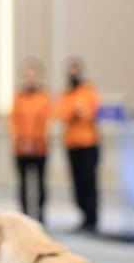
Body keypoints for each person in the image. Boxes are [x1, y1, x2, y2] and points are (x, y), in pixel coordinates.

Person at [56, 58, 101, 233]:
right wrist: (76, 111)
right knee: (77, 183)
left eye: (76, 70)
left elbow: (89, 112)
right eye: (70, 70)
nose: (73, 73)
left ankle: (92, 218)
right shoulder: (66, 94)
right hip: (72, 144)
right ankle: (83, 215)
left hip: (89, 143)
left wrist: (78, 112)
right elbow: (62, 114)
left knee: (89, 181)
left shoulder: (88, 91)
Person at [9, 61, 51, 223]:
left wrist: (36, 140)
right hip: (21, 148)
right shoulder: (18, 98)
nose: (30, 79)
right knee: (23, 184)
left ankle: (40, 215)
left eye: (33, 75)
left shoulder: (44, 98)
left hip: (40, 148)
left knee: (40, 183)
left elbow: (45, 121)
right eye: (28, 75)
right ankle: (24, 215)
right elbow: (14, 121)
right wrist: (22, 140)